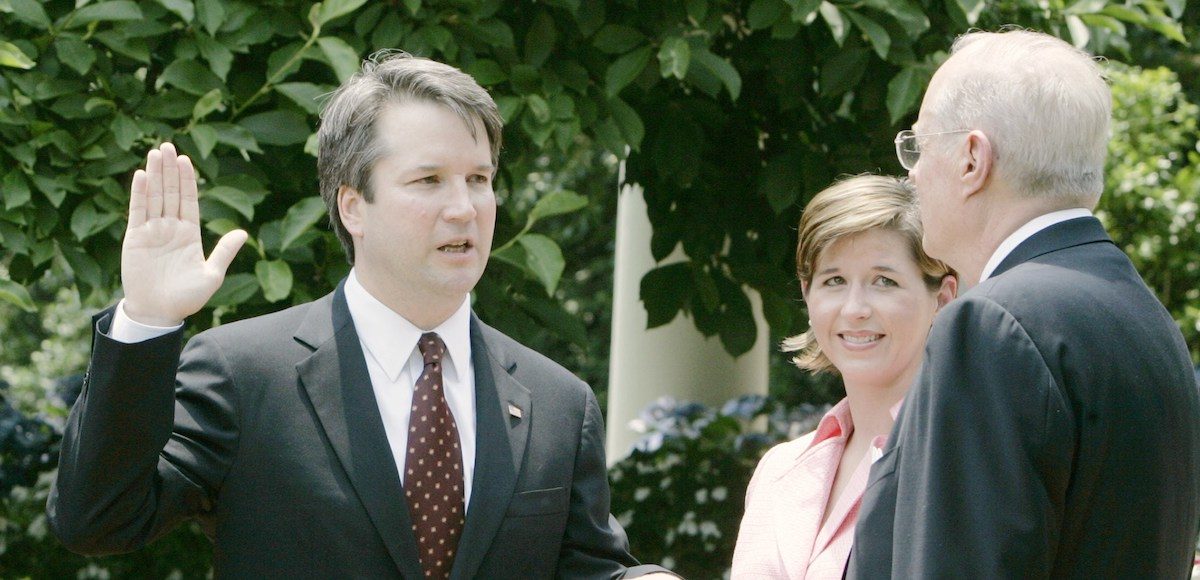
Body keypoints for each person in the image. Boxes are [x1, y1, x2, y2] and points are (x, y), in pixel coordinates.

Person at [48, 52, 675, 579]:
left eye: (479, 178)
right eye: (428, 180)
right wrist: (148, 321)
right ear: (354, 207)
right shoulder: (245, 373)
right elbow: (97, 520)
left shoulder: (557, 401)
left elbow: (591, 569)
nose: (464, 208)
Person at [848, 29, 1200, 578]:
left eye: (918, 145)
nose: (910, 173)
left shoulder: (990, 322)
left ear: (972, 159)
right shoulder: (1145, 317)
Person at [731, 174, 956, 578]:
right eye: (833, 280)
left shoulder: (959, 463)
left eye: (883, 281)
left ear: (942, 298)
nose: (854, 308)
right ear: (807, 292)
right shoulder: (778, 469)